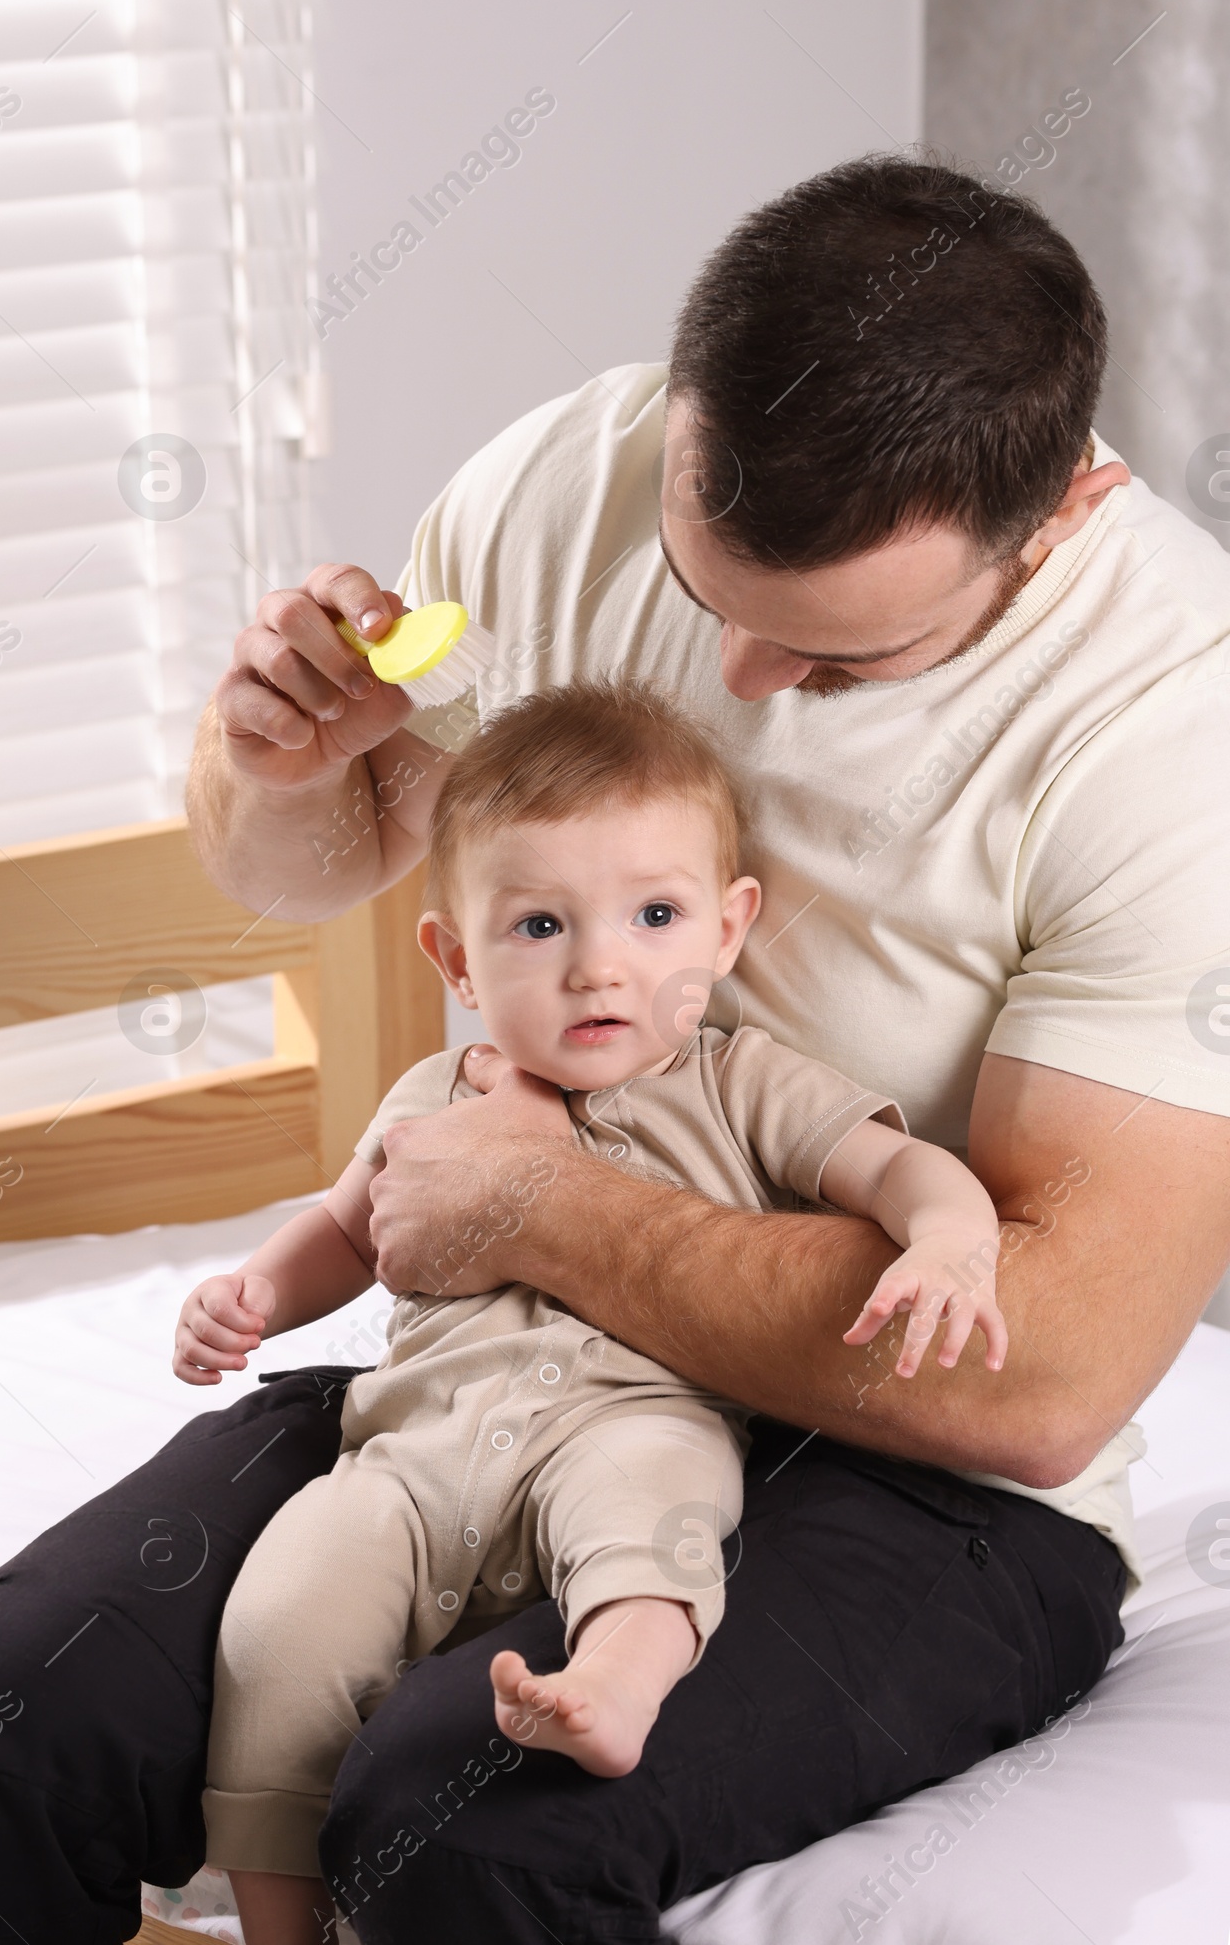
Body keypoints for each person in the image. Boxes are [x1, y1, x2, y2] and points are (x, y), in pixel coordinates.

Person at [0, 157, 1230, 1944]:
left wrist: (537, 1203)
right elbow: (330, 855)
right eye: (701, 574)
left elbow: (1045, 1377)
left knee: (453, 1812)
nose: (733, 669)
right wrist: (270, 764)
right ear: (683, 406)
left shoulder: (1174, 716)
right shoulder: (570, 472)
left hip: (916, 1487)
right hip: (476, 1365)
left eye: (829, 656)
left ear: (1061, 511)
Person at [181, 680, 1012, 1945]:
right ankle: (282, 1920)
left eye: (655, 913)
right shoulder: (431, 1093)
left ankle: (618, 1682)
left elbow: (895, 1169)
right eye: (536, 925)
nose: (598, 963)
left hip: (634, 1418)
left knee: (660, 1514)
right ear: (454, 955)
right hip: (415, 1451)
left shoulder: (737, 1081)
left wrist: (951, 1240)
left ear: (729, 928)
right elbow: (345, 1231)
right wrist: (254, 1292)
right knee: (281, 1618)